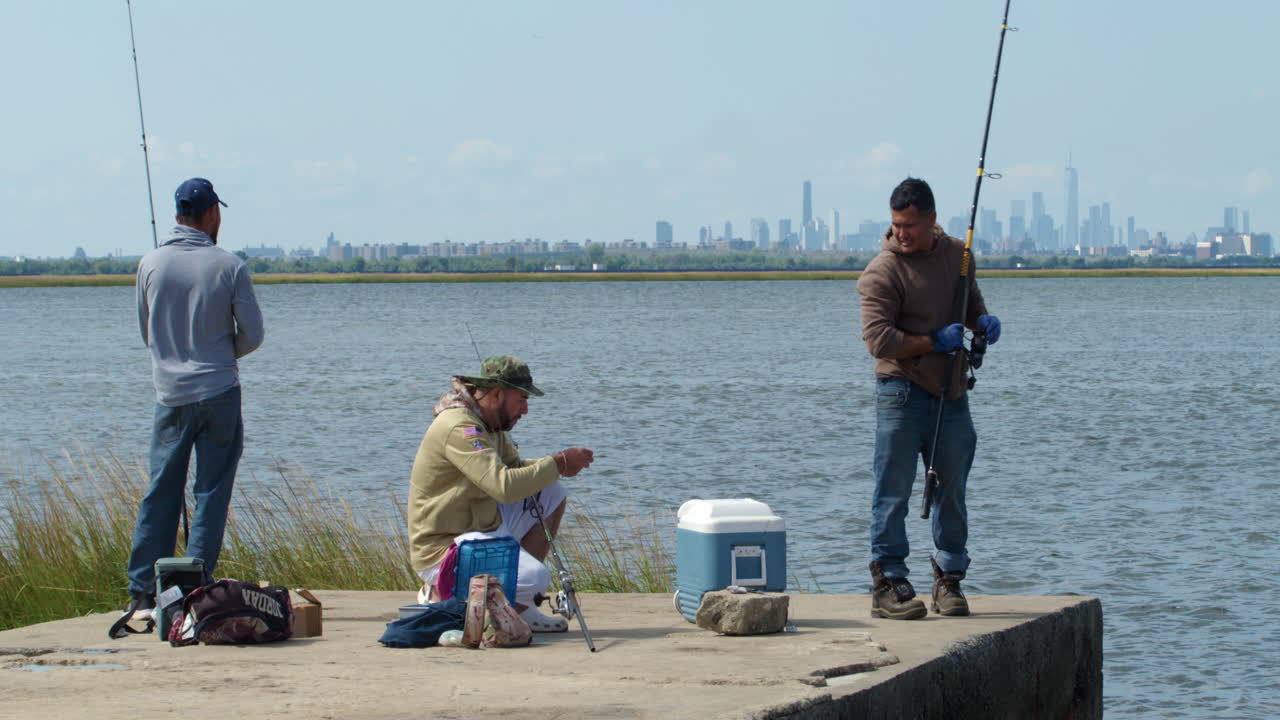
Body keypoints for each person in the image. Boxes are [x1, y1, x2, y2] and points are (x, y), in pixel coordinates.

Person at [856, 177, 1002, 620]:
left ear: (932, 220)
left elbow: (970, 303)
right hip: (899, 392)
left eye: (910, 226)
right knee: (893, 490)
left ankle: (949, 579)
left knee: (952, 490)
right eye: (896, 225)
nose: (902, 234)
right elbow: (878, 340)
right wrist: (933, 341)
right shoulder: (881, 271)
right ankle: (889, 581)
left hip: (952, 394)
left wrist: (984, 321)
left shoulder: (959, 256)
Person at [124, 178, 265, 620]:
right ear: (211, 215)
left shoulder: (150, 263)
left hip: (170, 395)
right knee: (211, 492)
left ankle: (143, 593)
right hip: (220, 391)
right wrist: (222, 355)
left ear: (178, 213)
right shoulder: (230, 265)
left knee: (160, 491)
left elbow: (147, 332)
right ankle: (194, 589)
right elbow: (254, 335)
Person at [408, 355, 593, 632]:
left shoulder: (491, 424)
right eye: (521, 399)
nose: (526, 409)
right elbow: (503, 486)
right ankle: (440, 595)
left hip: (480, 528)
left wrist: (557, 466)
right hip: (444, 547)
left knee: (551, 493)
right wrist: (559, 463)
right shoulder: (461, 427)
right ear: (496, 394)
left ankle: (521, 607)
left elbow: (515, 470)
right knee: (535, 578)